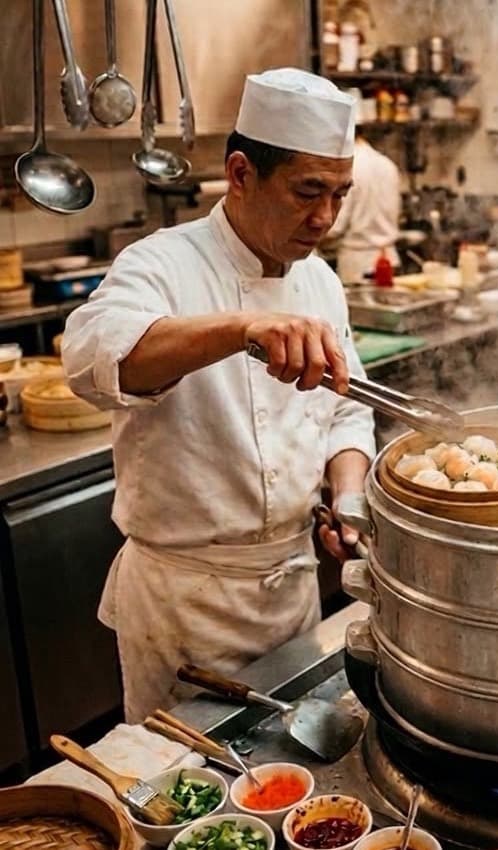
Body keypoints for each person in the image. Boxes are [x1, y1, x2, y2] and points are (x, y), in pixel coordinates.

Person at [62, 68, 376, 723]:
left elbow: (346, 409)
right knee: (185, 796)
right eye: (307, 191)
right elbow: (94, 358)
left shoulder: (319, 281)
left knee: (286, 780)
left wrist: (347, 499)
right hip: (184, 606)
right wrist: (240, 329)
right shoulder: (161, 262)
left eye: (340, 194)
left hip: (291, 592)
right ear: (241, 173)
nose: (324, 217)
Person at [329, 100, 402, 284]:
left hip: (359, 265)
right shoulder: (387, 164)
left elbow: (336, 225)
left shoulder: (348, 166)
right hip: (390, 259)